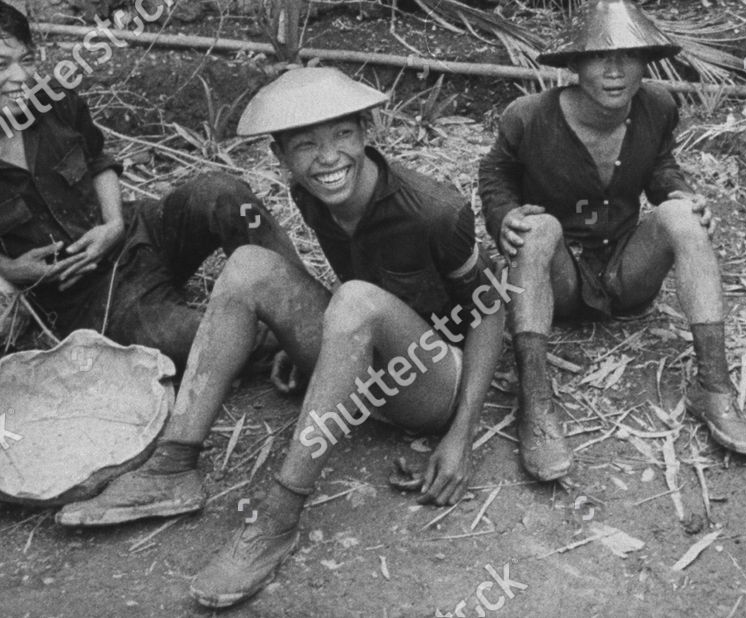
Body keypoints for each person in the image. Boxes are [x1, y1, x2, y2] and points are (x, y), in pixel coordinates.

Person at [59, 67, 508, 610]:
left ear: (366, 132)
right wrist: (312, 344)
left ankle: (278, 514)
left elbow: (490, 308)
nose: (327, 158)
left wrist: (461, 435)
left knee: (356, 300)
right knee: (251, 263)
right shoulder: (311, 194)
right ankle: (174, 465)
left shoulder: (435, 209)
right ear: (280, 156)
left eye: (342, 135)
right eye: (305, 145)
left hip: (429, 384)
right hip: (362, 372)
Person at [477, 0, 746, 482]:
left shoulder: (657, 108)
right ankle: (537, 405)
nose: (615, 72)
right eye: (600, 58)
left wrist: (681, 195)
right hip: (559, 280)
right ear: (575, 65)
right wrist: (503, 215)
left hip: (626, 273)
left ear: (644, 63)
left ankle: (713, 386)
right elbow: (495, 174)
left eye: (627, 57)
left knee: (683, 217)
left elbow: (661, 168)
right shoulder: (527, 117)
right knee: (538, 228)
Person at [0, 2, 298, 369]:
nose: (20, 77)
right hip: (94, 298)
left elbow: (97, 161)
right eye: (2, 65)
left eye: (26, 61)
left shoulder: (54, 99)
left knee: (222, 193)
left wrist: (113, 225)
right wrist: (9, 269)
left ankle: (303, 308)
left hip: (143, 233)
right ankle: (293, 347)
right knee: (193, 336)